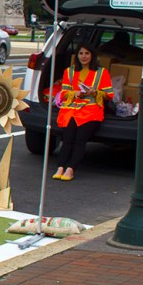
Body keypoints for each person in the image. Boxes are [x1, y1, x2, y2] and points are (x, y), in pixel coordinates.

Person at [53, 40, 112, 182]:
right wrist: (75, 94)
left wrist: (94, 92)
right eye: (81, 53)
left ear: (92, 55)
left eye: (87, 53)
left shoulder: (101, 72)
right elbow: (64, 92)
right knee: (67, 139)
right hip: (72, 111)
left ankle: (70, 169)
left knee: (80, 140)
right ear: (77, 55)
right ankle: (60, 167)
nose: (84, 56)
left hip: (91, 111)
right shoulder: (70, 71)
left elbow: (109, 95)